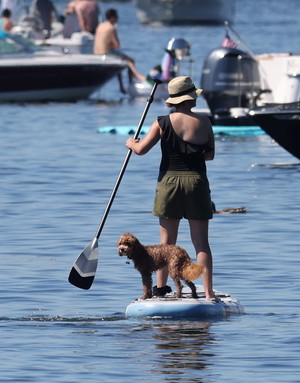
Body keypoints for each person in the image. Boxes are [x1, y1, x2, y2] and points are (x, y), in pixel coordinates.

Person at [125, 76, 217, 300]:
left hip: (168, 183)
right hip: (196, 181)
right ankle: (208, 293)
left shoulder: (161, 122)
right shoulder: (205, 122)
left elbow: (141, 150)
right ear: (190, 98)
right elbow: (209, 155)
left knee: (166, 244)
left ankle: (160, 291)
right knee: (201, 243)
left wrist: (130, 143)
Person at [94, 8, 145, 82]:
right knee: (130, 61)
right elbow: (117, 45)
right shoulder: (111, 28)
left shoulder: (100, 26)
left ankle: (122, 86)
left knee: (120, 59)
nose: (118, 19)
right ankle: (135, 77)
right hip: (106, 53)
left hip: (96, 52)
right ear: (112, 18)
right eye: (116, 17)